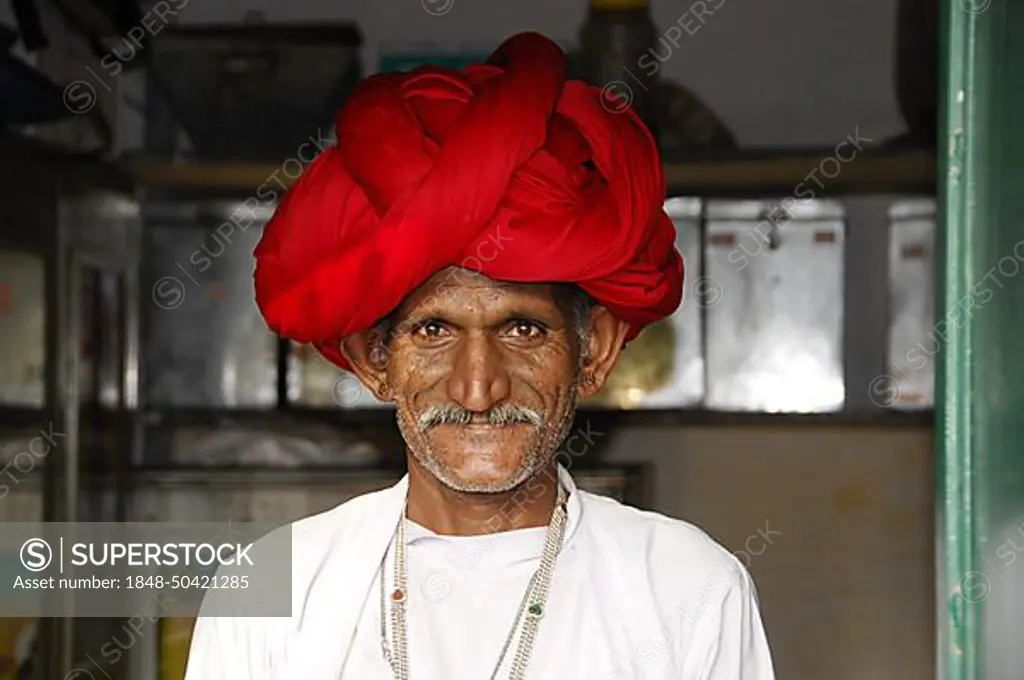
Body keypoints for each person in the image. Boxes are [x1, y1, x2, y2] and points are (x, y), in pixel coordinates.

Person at [184, 31, 774, 680]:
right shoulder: (273, 587)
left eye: (522, 330)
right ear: (373, 359)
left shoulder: (686, 586)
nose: (478, 388)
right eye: (433, 331)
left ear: (595, 350)